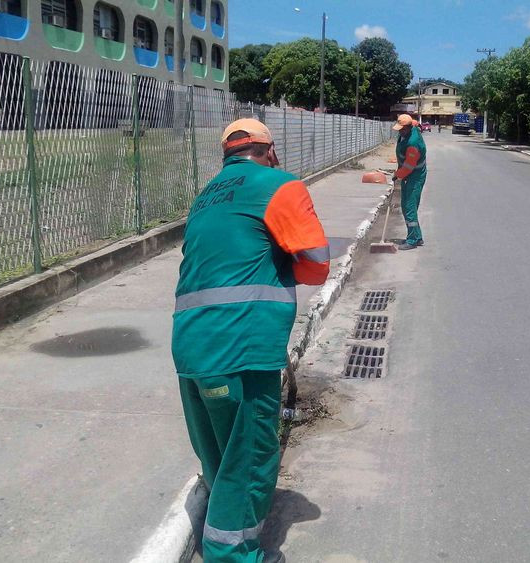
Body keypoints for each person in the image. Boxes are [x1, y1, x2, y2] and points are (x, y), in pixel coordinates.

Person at [171, 118, 330, 563]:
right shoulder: (281, 185)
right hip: (242, 345)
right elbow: (317, 264)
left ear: (227, 154)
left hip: (190, 345)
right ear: (269, 149)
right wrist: (282, 265)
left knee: (220, 458)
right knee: (250, 459)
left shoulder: (205, 196)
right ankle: (234, 555)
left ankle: (219, 542)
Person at [392, 114, 427, 250]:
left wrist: (397, 174)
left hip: (415, 175)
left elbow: (408, 166)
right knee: (405, 205)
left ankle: (412, 240)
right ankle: (417, 237)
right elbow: (415, 122)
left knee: (409, 207)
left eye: (402, 129)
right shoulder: (411, 126)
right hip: (408, 174)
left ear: (407, 128)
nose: (400, 131)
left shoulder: (413, 143)